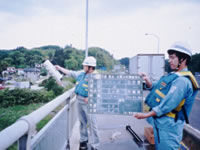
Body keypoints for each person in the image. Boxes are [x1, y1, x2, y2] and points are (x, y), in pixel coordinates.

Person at [134, 41, 199, 150]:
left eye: (173, 57)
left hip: (169, 128)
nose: (170, 61)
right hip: (163, 125)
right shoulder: (175, 76)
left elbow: (167, 104)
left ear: (183, 59)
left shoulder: (183, 81)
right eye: (169, 58)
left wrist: (145, 115)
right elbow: (160, 88)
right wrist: (148, 82)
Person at [55, 56, 100, 150]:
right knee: (82, 122)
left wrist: (91, 97)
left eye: (85, 65)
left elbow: (98, 90)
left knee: (92, 124)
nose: (83, 66)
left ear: (90, 67)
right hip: (79, 100)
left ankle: (95, 145)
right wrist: (59, 68)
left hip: (89, 103)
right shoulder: (81, 73)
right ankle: (84, 140)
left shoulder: (96, 76)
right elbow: (70, 73)